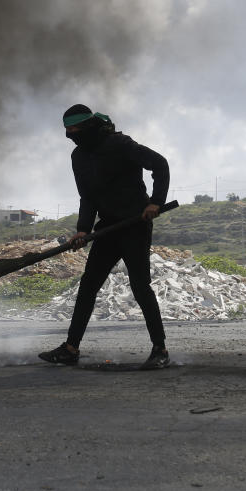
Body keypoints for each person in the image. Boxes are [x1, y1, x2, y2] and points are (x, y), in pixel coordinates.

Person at [38, 104, 171, 369]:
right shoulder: (78, 157)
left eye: (75, 131)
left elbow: (160, 164)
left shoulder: (120, 144)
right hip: (107, 228)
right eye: (68, 133)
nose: (72, 137)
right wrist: (83, 230)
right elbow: (87, 198)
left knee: (140, 286)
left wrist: (155, 202)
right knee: (88, 286)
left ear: (88, 127)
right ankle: (70, 349)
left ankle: (160, 351)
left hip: (135, 224)